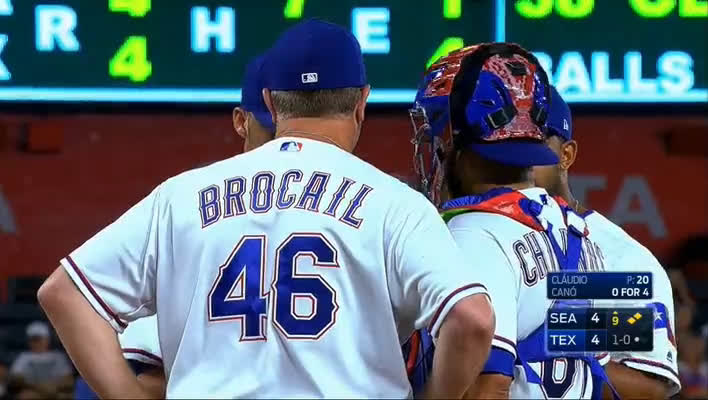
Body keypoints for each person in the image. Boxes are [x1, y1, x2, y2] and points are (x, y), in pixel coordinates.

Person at [37, 19, 494, 398]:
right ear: (361, 102)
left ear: (272, 103)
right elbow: (472, 318)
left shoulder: (181, 196)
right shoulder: (395, 204)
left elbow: (64, 292)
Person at [405, 43, 615, 399]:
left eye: (438, 131)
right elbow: (600, 372)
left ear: (457, 138)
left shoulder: (474, 233)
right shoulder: (580, 233)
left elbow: (489, 388)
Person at [111, 53, 279, 398]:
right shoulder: (190, 208)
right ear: (241, 122)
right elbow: (154, 383)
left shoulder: (189, 205)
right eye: (271, 131)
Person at [533, 87, 681, 399]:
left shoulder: (622, 260)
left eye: (534, 144)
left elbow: (651, 389)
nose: (517, 159)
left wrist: (555, 336)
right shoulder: (477, 235)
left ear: (566, 155)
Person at [8, 322, 73, 399]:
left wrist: (53, 388)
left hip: (55, 392)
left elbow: (69, 380)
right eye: (34, 340)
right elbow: (16, 378)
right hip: (33, 391)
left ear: (47, 339)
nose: (37, 343)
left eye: (40, 339)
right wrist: (40, 388)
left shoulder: (58, 356)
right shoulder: (23, 357)